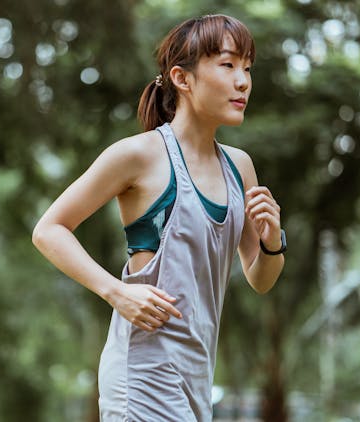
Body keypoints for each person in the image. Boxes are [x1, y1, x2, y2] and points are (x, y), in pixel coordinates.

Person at [32, 14, 285, 421]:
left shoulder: (241, 167)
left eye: (247, 68)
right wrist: (116, 291)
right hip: (142, 370)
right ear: (182, 79)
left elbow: (261, 278)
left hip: (197, 376)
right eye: (227, 65)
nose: (243, 81)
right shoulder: (139, 155)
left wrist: (273, 237)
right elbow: (49, 230)